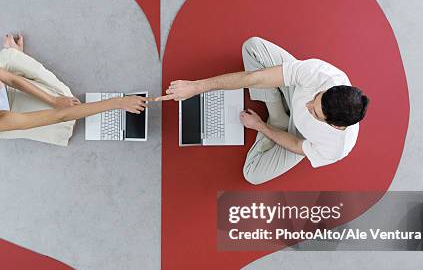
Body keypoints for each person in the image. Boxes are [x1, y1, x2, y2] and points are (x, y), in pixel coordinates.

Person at [158, 37, 370, 184]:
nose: (308, 107)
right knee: (254, 47)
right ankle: (277, 111)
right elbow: (254, 78)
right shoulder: (322, 74)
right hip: (292, 90)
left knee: (252, 174)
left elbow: (296, 145)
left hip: (298, 135)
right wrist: (196, 87)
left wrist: (261, 126)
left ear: (334, 125)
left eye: (314, 113)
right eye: (315, 98)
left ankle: (276, 120)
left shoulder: (336, 148)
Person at [0, 34, 150, 146]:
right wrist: (118, 102)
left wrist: (52, 99)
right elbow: (59, 115)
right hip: (3, 117)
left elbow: (10, 78)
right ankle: (13, 56)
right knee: (61, 124)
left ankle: (13, 54)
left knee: (55, 92)